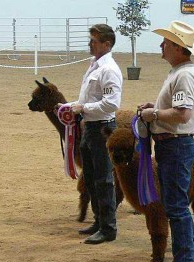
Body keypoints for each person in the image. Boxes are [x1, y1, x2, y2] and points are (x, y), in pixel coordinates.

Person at [138, 20, 194, 262]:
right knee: (174, 207)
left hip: (175, 146)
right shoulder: (180, 72)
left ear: (178, 47)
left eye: (166, 42)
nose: (161, 46)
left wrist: (153, 114)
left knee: (177, 209)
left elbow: (181, 115)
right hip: (171, 146)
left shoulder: (184, 75)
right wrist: (157, 107)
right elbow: (176, 107)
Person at [64, 24, 122, 244]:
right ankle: (99, 221)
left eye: (94, 41)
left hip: (102, 128)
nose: (90, 44)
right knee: (90, 178)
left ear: (107, 45)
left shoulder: (108, 69)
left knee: (104, 179)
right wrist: (68, 105)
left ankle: (109, 227)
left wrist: (83, 109)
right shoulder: (95, 65)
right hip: (90, 128)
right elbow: (88, 100)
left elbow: (111, 104)